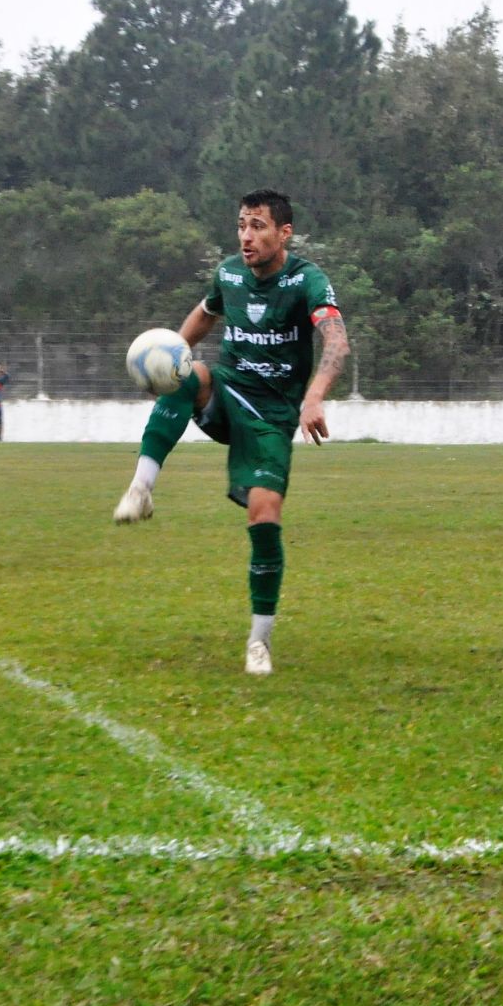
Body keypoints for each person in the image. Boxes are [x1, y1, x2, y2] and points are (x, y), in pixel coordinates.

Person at [112, 188, 350, 676]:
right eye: (242, 225)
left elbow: (336, 339)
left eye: (258, 226)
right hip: (228, 390)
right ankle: (141, 487)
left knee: (265, 514)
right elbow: (205, 314)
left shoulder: (307, 280)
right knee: (188, 374)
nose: (247, 236)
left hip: (271, 417)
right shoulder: (228, 273)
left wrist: (314, 395)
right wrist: (168, 356)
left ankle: (258, 641)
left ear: (284, 233)